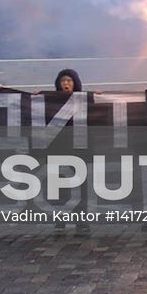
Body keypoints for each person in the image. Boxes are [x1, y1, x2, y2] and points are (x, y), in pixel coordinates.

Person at [52, 69, 90, 234]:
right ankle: (60, 221)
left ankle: (81, 222)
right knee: (59, 187)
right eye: (63, 81)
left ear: (75, 83)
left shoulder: (84, 101)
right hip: (59, 150)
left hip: (78, 151)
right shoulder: (50, 102)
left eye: (69, 80)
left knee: (80, 188)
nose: (66, 84)